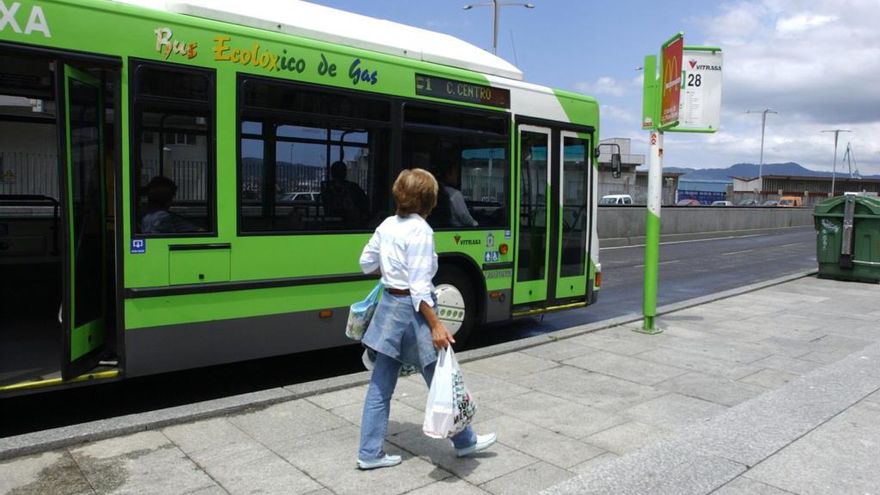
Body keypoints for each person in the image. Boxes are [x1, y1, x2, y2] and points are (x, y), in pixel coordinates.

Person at [356, 168, 496, 470]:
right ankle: (465, 440)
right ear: (428, 199)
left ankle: (369, 452)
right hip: (413, 313)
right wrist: (436, 325)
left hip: (389, 307)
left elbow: (366, 263)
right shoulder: (421, 231)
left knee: (381, 385)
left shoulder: (387, 224)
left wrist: (394, 272)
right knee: (440, 375)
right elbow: (420, 289)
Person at [322, 160, 369, 227]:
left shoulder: (327, 188)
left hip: (335, 222)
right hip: (352, 222)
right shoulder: (353, 187)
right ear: (345, 173)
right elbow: (364, 202)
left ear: (332, 173)